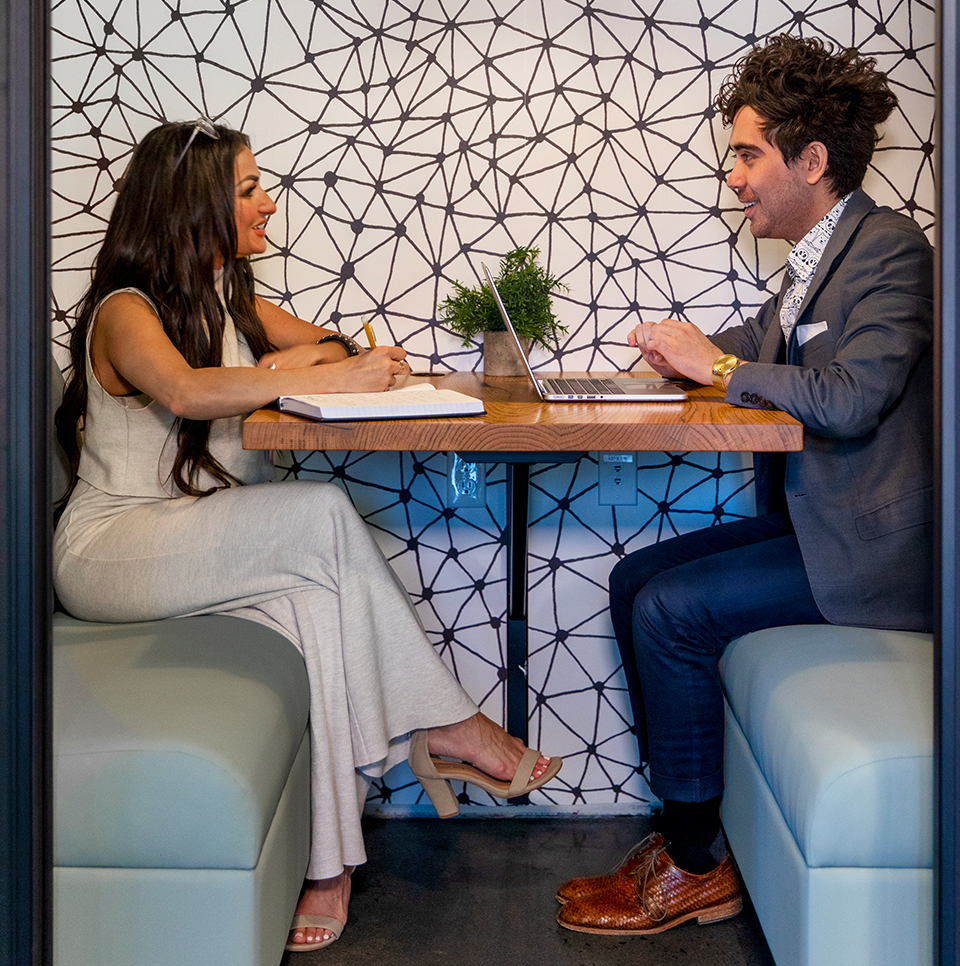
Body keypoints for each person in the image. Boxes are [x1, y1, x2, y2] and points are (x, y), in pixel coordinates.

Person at [53, 119, 562, 953]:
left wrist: (330, 362)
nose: (269, 205)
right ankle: (447, 723)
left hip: (194, 538)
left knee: (313, 611)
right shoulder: (125, 310)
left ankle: (329, 868)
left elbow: (324, 345)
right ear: (195, 203)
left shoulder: (227, 295)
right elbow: (184, 390)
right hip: (114, 549)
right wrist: (312, 369)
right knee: (323, 512)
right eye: (250, 190)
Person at [555, 34, 933, 936]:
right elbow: (760, 351)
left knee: (670, 611)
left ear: (810, 160)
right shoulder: (816, 263)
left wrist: (716, 362)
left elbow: (852, 396)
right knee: (631, 579)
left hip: (879, 556)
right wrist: (671, 363)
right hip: (823, 527)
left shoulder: (889, 253)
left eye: (747, 154)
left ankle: (692, 867)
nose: (733, 176)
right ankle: (691, 838)